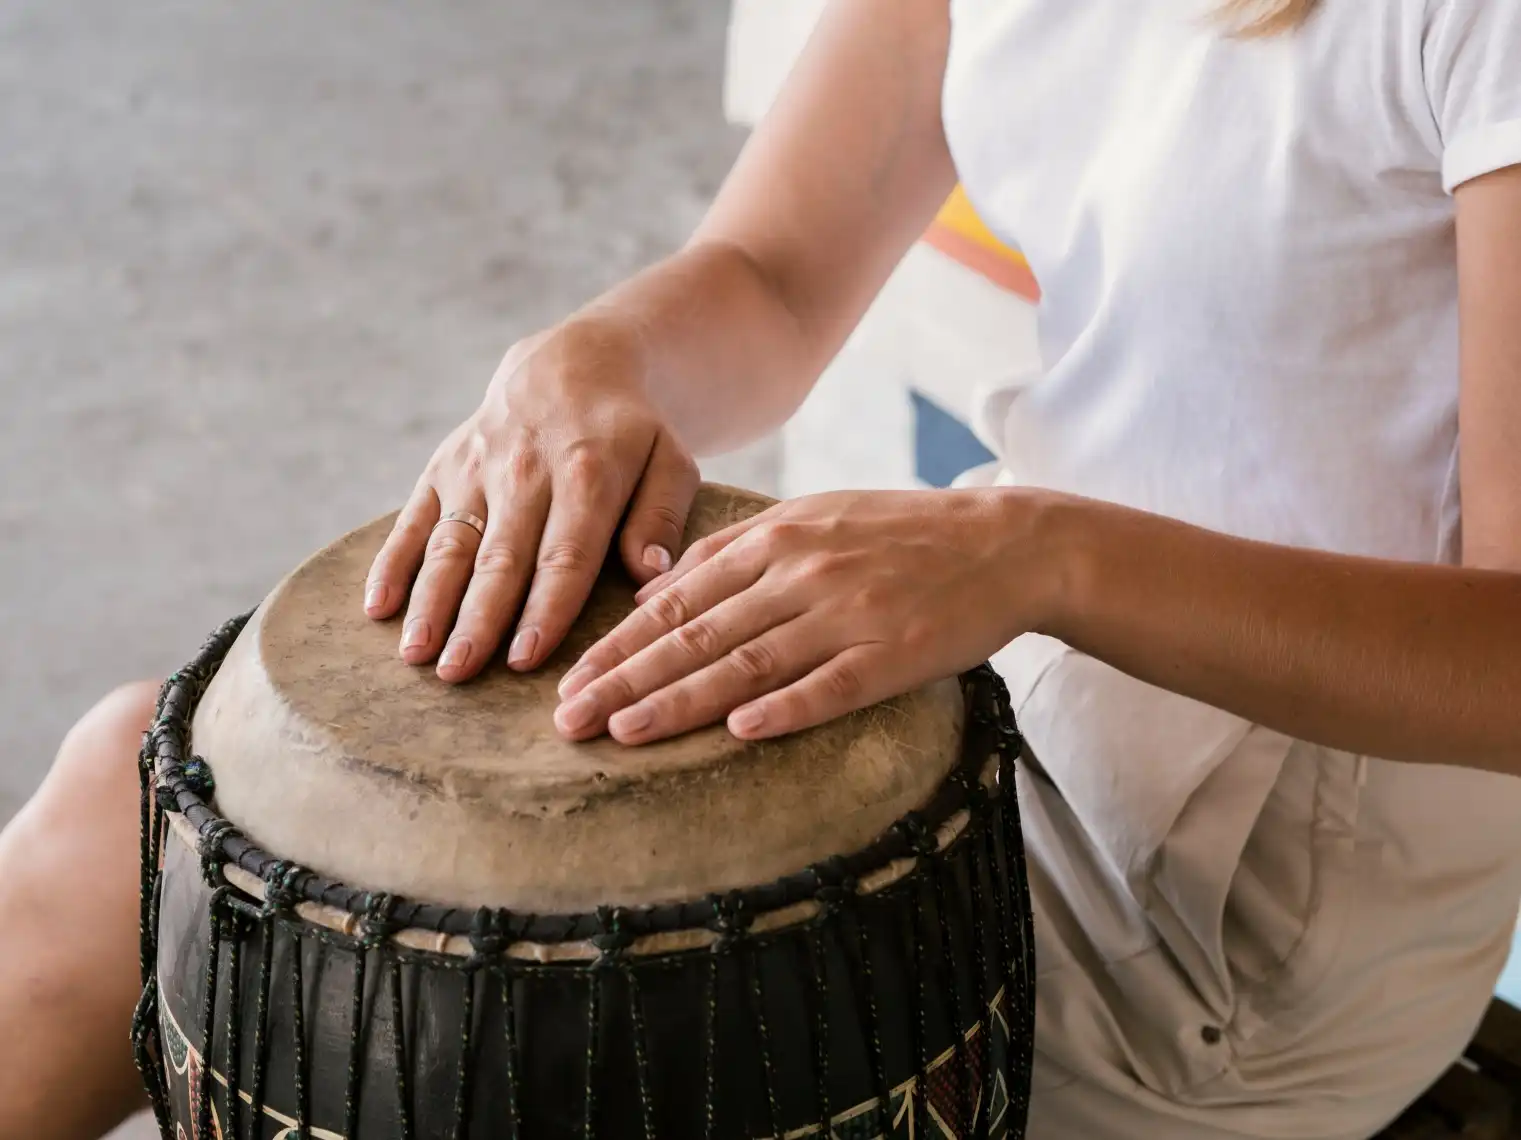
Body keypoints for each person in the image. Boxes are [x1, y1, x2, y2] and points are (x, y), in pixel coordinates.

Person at [5, 0, 1521, 1136]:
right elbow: (773, 277)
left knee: (520, 1040)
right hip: (1018, 662)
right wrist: (594, 358)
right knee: (131, 803)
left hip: (1243, 901)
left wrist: (1034, 551)